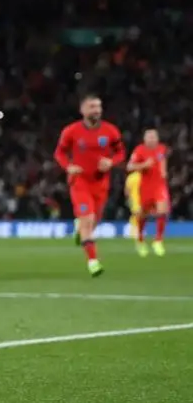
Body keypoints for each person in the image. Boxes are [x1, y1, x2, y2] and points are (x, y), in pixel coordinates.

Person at [53, 94, 124, 277]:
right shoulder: (71, 131)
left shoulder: (111, 131)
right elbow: (59, 153)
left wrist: (111, 162)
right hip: (80, 182)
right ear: (82, 110)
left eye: (98, 106)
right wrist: (69, 167)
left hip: (101, 183)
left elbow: (120, 152)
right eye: (92, 107)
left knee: (93, 222)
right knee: (88, 219)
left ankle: (80, 228)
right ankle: (93, 262)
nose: (96, 110)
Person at [127, 128, 169, 257]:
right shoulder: (139, 150)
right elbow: (130, 166)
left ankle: (158, 241)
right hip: (145, 187)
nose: (151, 139)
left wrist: (163, 171)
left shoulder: (162, 148)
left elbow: (162, 159)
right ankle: (140, 240)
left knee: (163, 210)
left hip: (159, 185)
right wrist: (143, 165)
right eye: (149, 137)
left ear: (157, 138)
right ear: (144, 139)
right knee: (142, 214)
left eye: (153, 137)